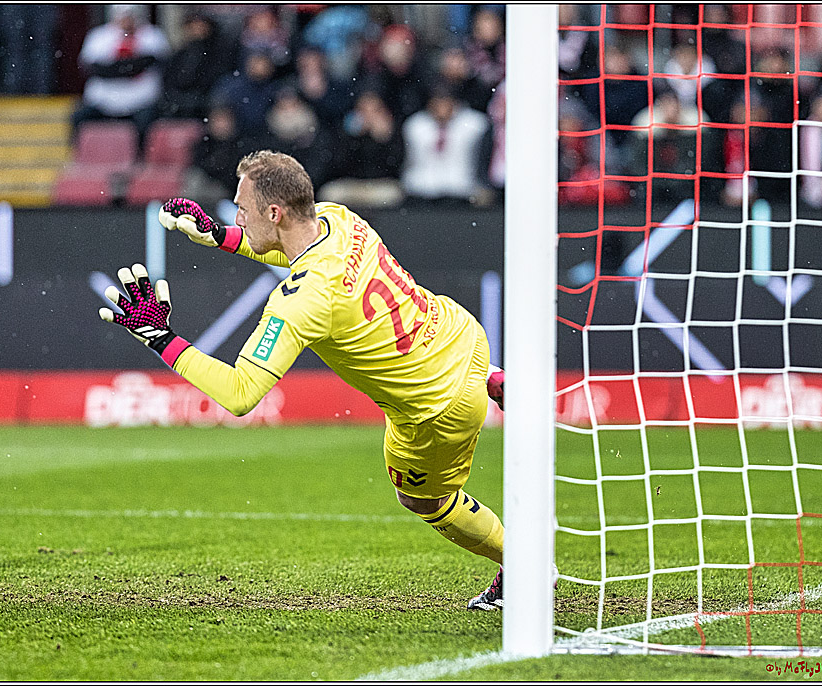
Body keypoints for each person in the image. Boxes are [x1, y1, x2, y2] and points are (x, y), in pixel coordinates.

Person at [98, 150, 518, 610]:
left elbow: (240, 394)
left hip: (439, 404)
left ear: (274, 212)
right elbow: (287, 245)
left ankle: (523, 565)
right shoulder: (339, 219)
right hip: (461, 335)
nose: (237, 217)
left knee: (423, 500)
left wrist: (160, 338)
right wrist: (219, 236)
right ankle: (493, 379)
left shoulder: (300, 302)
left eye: (242, 209)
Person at [71, 4, 170, 152]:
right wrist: (128, 67)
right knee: (78, 117)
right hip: (104, 101)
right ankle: (80, 154)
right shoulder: (99, 36)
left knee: (146, 124)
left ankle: (140, 157)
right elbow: (92, 67)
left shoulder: (152, 35)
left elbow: (157, 61)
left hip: (140, 101)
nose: (126, 20)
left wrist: (118, 67)